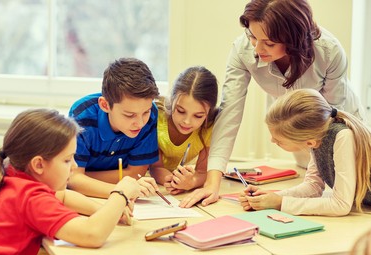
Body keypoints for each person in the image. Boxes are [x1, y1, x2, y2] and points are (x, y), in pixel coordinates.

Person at [179, 0, 366, 208]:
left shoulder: (329, 51)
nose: (258, 49)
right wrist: (212, 183)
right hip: (302, 132)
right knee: (314, 181)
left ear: (293, 39)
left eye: (269, 43)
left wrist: (280, 202)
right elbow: (229, 114)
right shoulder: (243, 51)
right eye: (252, 36)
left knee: (353, 193)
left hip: (338, 123)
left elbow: (329, 120)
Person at [0, 109, 156, 255]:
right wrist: (121, 194)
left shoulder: (12, 175)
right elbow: (92, 234)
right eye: (67, 160)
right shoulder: (31, 196)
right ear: (38, 164)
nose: (74, 166)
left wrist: (106, 211)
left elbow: (63, 196)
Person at [239, 88, 371, 216]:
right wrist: (269, 198)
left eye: (279, 140)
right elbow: (313, 186)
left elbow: (341, 205)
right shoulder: (318, 135)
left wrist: (280, 203)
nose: (272, 140)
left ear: (309, 142)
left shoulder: (343, 137)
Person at [68, 57, 160, 198]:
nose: (141, 123)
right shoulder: (82, 116)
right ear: (105, 105)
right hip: (85, 197)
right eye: (129, 115)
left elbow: (136, 173)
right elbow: (72, 180)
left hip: (102, 193)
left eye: (145, 112)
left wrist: (83, 177)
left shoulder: (151, 113)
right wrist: (122, 191)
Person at [149, 66, 219, 194]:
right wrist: (170, 180)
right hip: (148, 179)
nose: (187, 121)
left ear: (209, 112)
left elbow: (203, 172)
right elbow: (155, 167)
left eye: (198, 116)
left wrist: (191, 182)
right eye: (180, 111)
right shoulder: (157, 117)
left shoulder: (210, 127)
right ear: (172, 100)